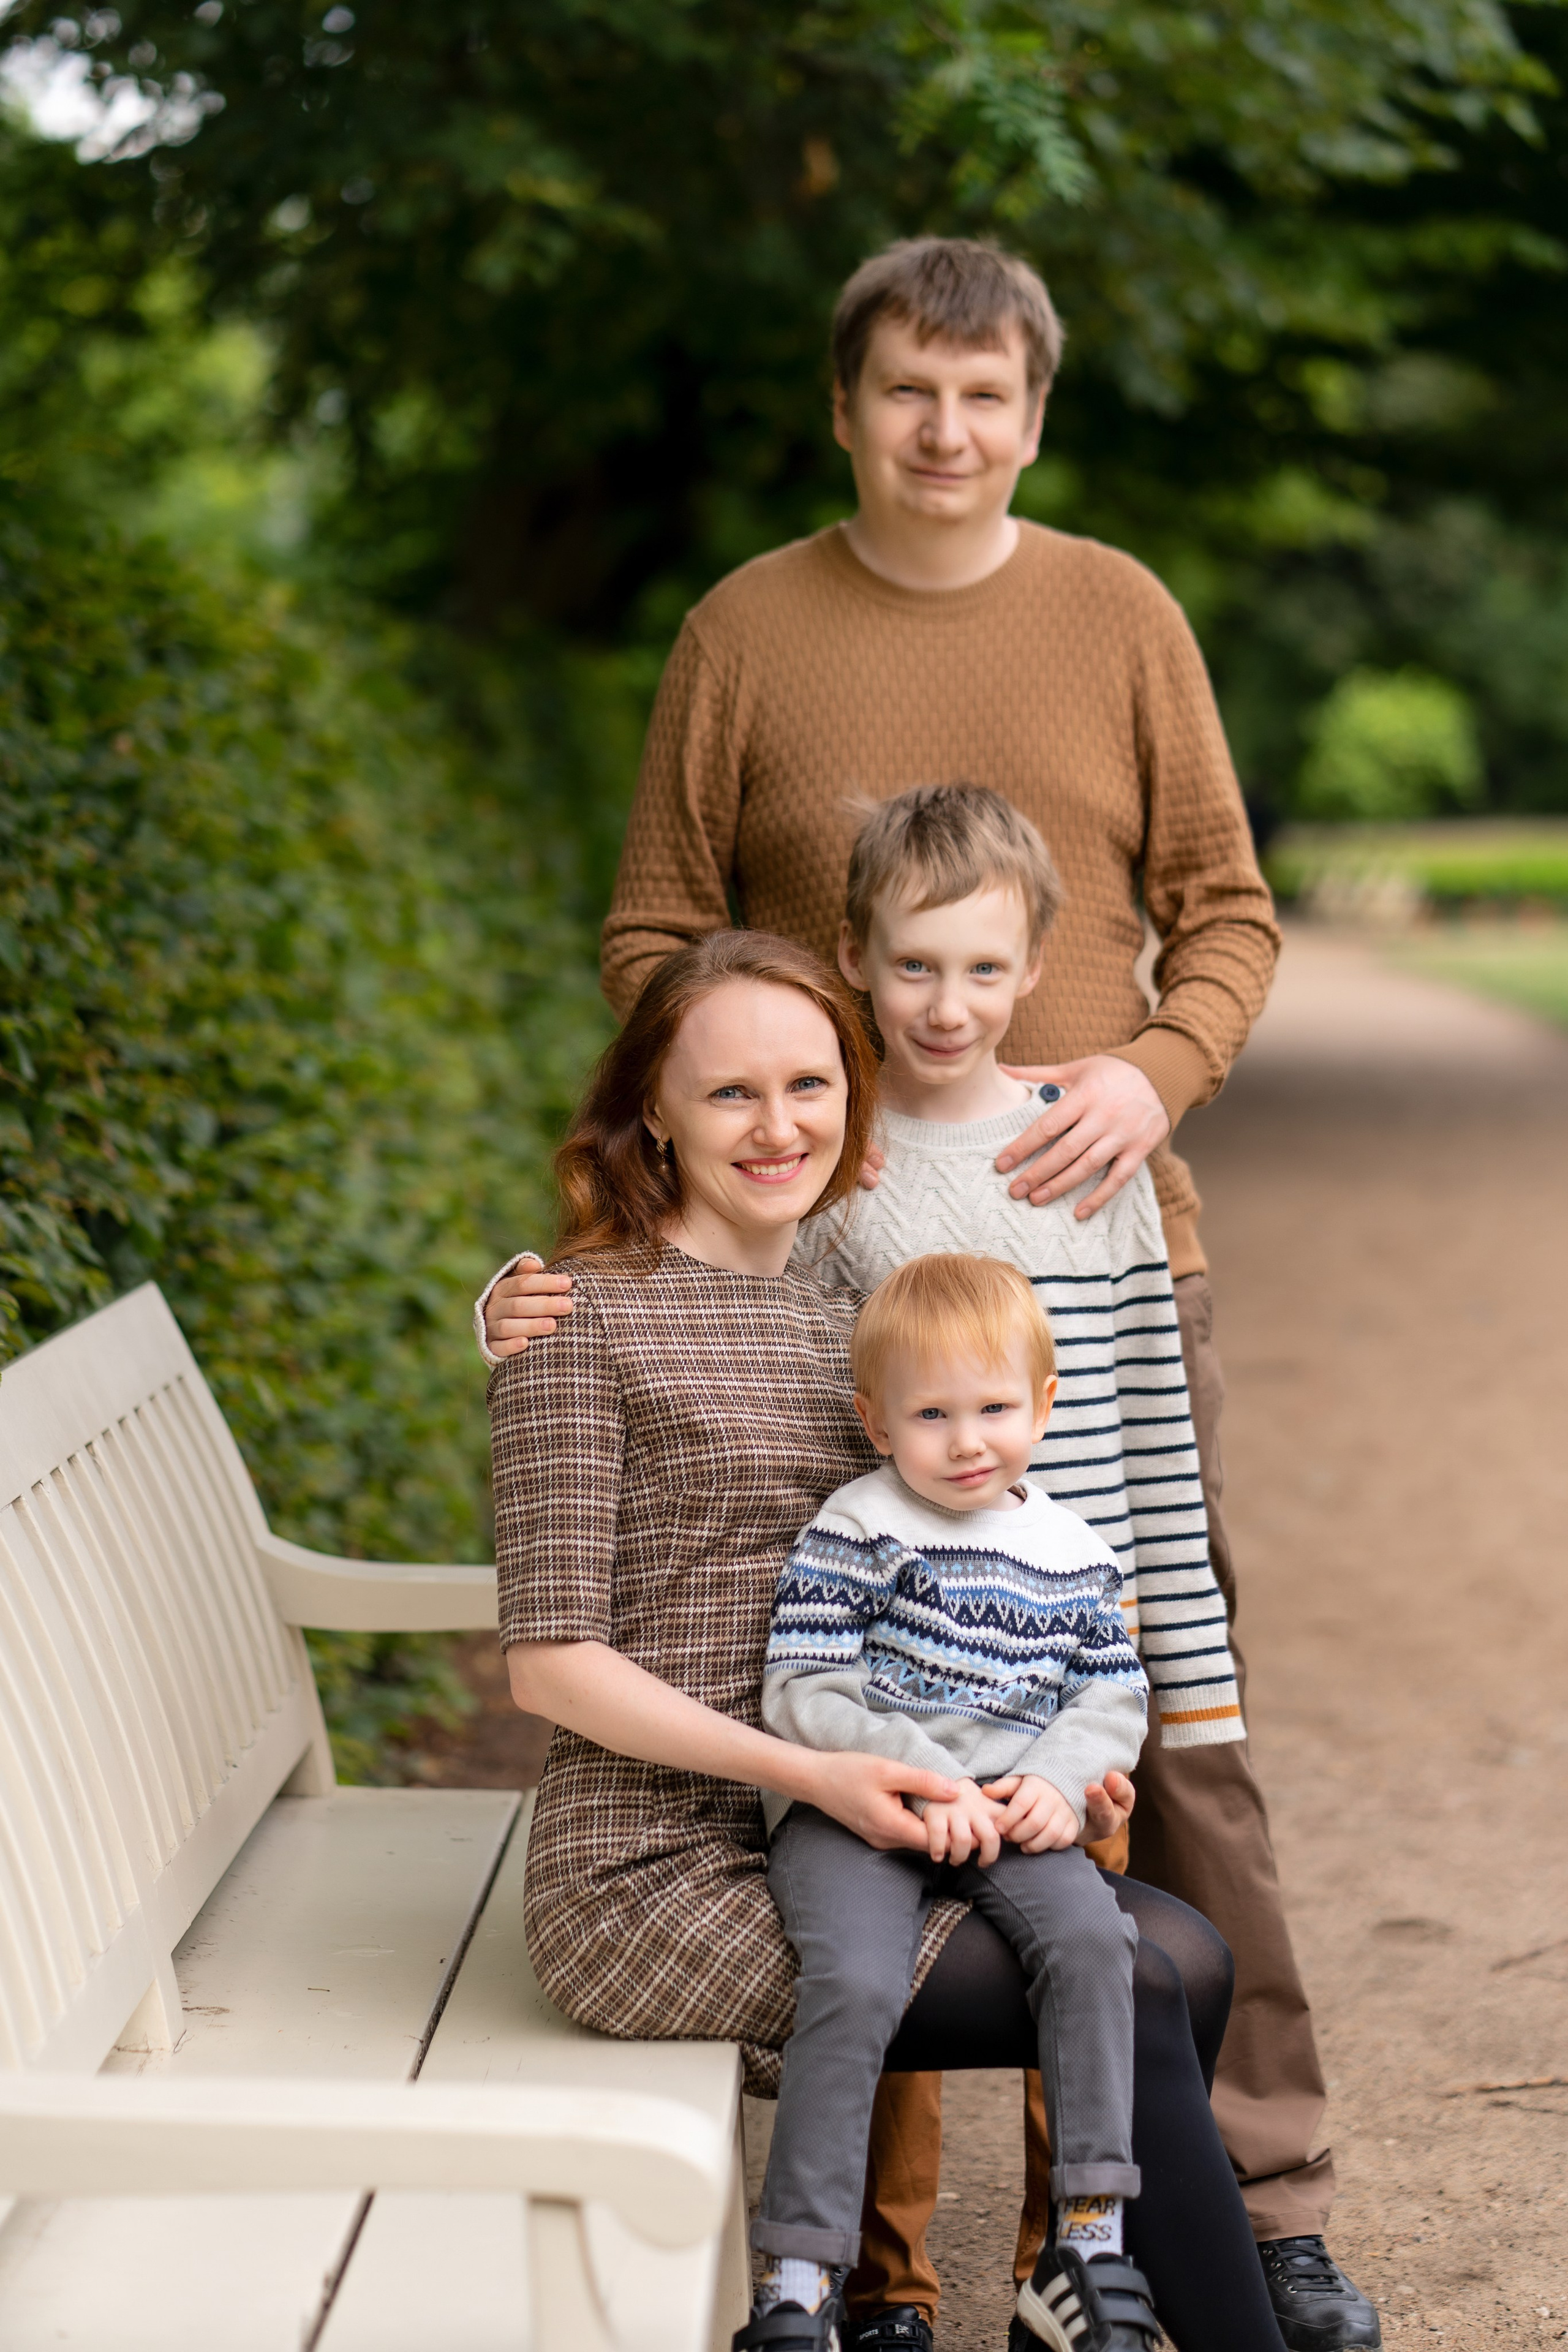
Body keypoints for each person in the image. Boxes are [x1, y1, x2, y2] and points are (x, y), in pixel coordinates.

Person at [483, 238, 1378, 2352]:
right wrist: (783, 1114)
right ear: (848, 403)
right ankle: (879, 2268)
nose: (946, 432)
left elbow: (1228, 914)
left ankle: (1253, 2198)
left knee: (1166, 1709)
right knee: (875, 1690)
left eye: (985, 397)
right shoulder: (747, 632)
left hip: (1094, 1259)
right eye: (907, 392)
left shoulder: (1120, 613)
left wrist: (1150, 1074)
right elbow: (654, 940)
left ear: (1035, 413)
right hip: (846, 1277)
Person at [489, 925, 1286, 2352]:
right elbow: (549, 1663)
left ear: (851, 1103)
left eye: (808, 1084)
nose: (776, 1124)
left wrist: (1049, 1754)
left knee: (1185, 1953)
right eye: (728, 1092)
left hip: (877, 1811)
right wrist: (818, 1777)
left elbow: (972, 1580)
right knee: (1158, 1971)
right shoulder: (570, 1320)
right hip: (663, 1861)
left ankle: (1080, 2277)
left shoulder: (853, 1326)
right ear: (650, 1110)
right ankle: (1114, 2305)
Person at [744, 1250, 1152, 2352]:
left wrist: (1058, 1785)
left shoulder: (1073, 1552)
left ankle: (1088, 2239)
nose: (968, 1441)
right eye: (931, 1414)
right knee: (855, 1979)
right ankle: (799, 2275)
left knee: (1092, 1945)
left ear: (1044, 1405)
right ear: (877, 1424)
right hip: (864, 1814)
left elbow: (1112, 1692)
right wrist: (926, 1778)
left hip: (1010, 1815)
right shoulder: (861, 1525)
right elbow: (806, 1685)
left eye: (995, 1408)